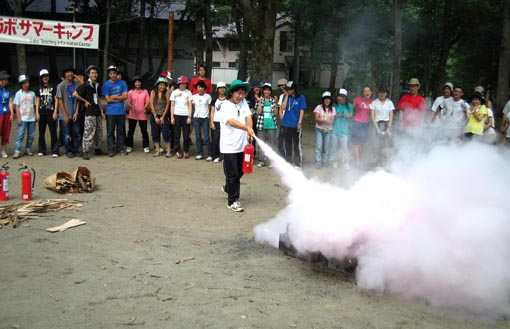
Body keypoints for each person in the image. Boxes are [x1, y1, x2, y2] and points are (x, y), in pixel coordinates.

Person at [220, 79, 254, 212]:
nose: (241, 96)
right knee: (233, 174)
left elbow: (248, 117)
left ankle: (229, 188)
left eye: (243, 94)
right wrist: (246, 129)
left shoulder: (243, 103)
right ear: (232, 93)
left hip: (242, 145)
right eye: (238, 93)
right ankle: (233, 200)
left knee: (241, 171)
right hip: (229, 146)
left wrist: (250, 130)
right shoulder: (225, 106)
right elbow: (232, 122)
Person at [73, 65, 105, 160]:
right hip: (89, 112)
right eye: (92, 73)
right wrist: (85, 101)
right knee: (89, 131)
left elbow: (98, 98)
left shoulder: (97, 85)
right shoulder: (85, 85)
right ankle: (85, 150)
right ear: (88, 74)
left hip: (97, 111)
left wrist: (102, 111)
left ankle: (97, 148)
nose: (94, 75)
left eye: (95, 73)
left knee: (99, 130)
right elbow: (75, 94)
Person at [102, 65, 128, 157]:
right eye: (111, 73)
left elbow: (125, 96)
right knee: (110, 131)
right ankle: (111, 149)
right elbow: (107, 99)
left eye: (114, 73)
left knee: (121, 131)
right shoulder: (106, 85)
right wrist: (119, 98)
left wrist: (113, 97)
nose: (112, 75)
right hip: (110, 111)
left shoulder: (122, 83)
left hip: (120, 111)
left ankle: (120, 148)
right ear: (108, 74)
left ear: (117, 74)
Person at [280, 81, 307, 168]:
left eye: (290, 90)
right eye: (287, 89)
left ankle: (297, 163)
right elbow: (283, 108)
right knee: (287, 144)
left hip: (295, 124)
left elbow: (302, 111)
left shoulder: (301, 97)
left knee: (296, 144)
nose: (288, 91)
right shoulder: (286, 96)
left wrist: (299, 122)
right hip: (286, 124)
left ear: (294, 89)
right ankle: (288, 161)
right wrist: (287, 96)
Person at [55, 67, 80, 158]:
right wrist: (65, 114)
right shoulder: (61, 86)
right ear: (64, 74)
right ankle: (68, 150)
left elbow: (78, 100)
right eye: (68, 72)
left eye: (71, 72)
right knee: (66, 134)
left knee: (76, 133)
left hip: (74, 114)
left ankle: (75, 149)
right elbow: (60, 100)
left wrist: (76, 112)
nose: (70, 74)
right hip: (64, 114)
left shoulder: (76, 85)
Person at [35, 69, 58, 157]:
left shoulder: (53, 87)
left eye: (47, 76)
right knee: (41, 132)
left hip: (51, 112)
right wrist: (37, 112)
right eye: (44, 76)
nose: (45, 78)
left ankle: (55, 150)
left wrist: (55, 111)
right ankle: (42, 149)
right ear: (41, 78)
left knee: (53, 131)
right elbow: (37, 100)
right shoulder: (38, 88)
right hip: (41, 112)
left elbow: (56, 99)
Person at [12, 74, 36, 159]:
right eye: (24, 83)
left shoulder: (32, 93)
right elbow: (17, 106)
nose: (26, 85)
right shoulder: (19, 93)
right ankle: (17, 150)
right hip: (23, 118)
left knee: (31, 135)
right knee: (20, 135)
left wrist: (36, 115)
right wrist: (18, 117)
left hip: (32, 117)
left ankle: (28, 149)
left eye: (27, 82)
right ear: (21, 84)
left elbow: (34, 105)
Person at [255, 82, 278, 168]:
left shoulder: (273, 100)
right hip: (261, 125)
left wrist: (276, 103)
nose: (267, 92)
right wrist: (260, 101)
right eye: (265, 90)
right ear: (263, 91)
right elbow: (259, 112)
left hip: (272, 125)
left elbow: (276, 113)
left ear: (270, 91)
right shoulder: (260, 100)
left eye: (268, 90)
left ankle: (271, 161)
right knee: (261, 143)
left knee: (272, 144)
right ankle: (261, 160)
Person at [370, 86, 395, 165]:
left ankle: (386, 163)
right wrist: (377, 128)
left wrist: (389, 128)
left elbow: (391, 116)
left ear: (386, 93)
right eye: (380, 92)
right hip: (377, 124)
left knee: (386, 145)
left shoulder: (389, 102)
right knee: (376, 144)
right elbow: (372, 116)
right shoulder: (374, 102)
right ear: (378, 93)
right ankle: (376, 163)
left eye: (383, 92)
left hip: (387, 124)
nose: (382, 94)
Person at [126, 76, 150, 153]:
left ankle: (146, 146)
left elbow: (147, 101)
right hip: (133, 114)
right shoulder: (130, 92)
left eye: (139, 82)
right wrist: (131, 107)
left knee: (144, 131)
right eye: (136, 82)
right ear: (134, 83)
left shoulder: (145, 91)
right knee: (131, 131)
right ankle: (129, 145)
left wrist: (144, 108)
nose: (137, 83)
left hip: (142, 114)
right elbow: (128, 102)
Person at [170, 75, 192, 159]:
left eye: (185, 84)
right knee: (176, 134)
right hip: (177, 115)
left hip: (185, 115)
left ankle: (186, 150)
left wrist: (189, 116)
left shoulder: (188, 92)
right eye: (182, 84)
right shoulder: (174, 92)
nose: (183, 85)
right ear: (178, 84)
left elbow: (190, 105)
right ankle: (177, 150)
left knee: (186, 135)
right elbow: (172, 105)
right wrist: (172, 117)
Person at [351, 85, 373, 167]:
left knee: (363, 144)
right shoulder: (357, 99)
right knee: (356, 144)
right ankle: (357, 162)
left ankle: (360, 160)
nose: (367, 92)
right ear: (363, 93)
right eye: (365, 91)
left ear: (371, 92)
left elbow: (373, 114)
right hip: (357, 122)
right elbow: (350, 108)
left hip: (366, 124)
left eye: (368, 91)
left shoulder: (373, 102)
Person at [331, 88, 353, 169]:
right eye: (340, 96)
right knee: (334, 147)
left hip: (344, 130)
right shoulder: (334, 105)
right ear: (337, 96)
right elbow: (330, 116)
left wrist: (349, 116)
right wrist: (336, 116)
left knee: (344, 147)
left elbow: (351, 116)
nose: (341, 98)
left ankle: (345, 162)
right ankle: (334, 161)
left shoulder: (349, 106)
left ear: (346, 97)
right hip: (334, 129)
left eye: (343, 96)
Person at [149, 77, 171, 157]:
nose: (162, 87)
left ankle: (168, 150)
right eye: (160, 85)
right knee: (155, 133)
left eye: (163, 85)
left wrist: (162, 117)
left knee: (165, 133)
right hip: (154, 115)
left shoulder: (166, 93)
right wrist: (155, 116)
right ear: (157, 85)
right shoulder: (153, 92)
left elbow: (167, 105)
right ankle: (158, 150)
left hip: (163, 115)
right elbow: (151, 104)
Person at [191, 80, 213, 161]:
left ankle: (210, 154)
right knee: (198, 137)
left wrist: (210, 119)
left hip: (205, 118)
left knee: (206, 137)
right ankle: (200, 153)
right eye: (199, 87)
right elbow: (192, 107)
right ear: (197, 88)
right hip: (196, 118)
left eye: (202, 87)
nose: (200, 89)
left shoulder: (208, 97)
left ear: (204, 88)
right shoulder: (193, 97)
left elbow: (210, 108)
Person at [313, 91, 335, 168]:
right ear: (323, 100)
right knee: (319, 146)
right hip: (319, 129)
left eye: (329, 99)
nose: (327, 100)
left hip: (328, 130)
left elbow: (332, 120)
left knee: (325, 147)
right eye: (325, 99)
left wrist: (321, 120)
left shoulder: (332, 109)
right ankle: (318, 162)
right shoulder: (319, 107)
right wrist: (326, 121)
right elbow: (316, 118)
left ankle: (324, 162)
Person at [210, 81, 227, 163]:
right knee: (215, 139)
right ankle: (215, 155)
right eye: (220, 88)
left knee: (224, 140)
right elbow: (212, 111)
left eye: (223, 88)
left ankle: (224, 156)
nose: (222, 89)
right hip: (216, 121)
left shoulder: (228, 99)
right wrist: (211, 122)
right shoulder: (214, 99)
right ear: (217, 89)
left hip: (225, 123)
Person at [0, 70, 13, 158]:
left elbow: (10, 102)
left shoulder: (8, 91)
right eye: (5, 79)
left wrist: (12, 113)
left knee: (6, 132)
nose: (6, 81)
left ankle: (3, 150)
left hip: (7, 113)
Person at [276, 78, 287, 156]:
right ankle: (281, 155)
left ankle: (287, 157)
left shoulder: (291, 96)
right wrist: (281, 117)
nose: (282, 87)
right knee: (280, 140)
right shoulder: (281, 96)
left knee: (287, 140)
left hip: (290, 120)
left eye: (283, 85)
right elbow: (280, 108)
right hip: (283, 121)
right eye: (280, 86)